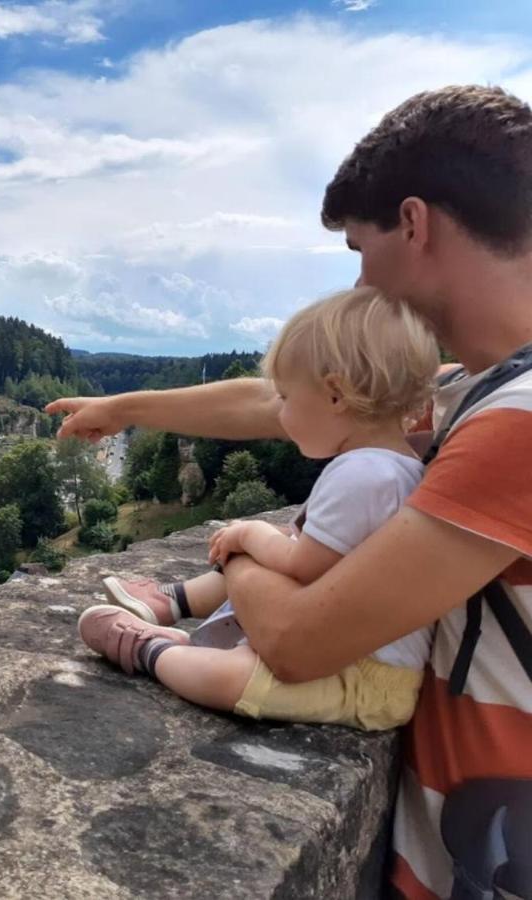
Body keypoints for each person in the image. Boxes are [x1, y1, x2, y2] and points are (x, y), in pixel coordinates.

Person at [47, 85, 532, 900]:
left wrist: (237, 550)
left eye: (357, 248)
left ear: (414, 225)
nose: (361, 279)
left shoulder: (515, 422)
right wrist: (126, 408)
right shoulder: (479, 388)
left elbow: (301, 642)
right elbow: (290, 395)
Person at [78, 287, 440, 731]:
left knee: (227, 680)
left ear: (335, 395)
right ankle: (177, 619)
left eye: (286, 398)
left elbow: (304, 565)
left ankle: (152, 651)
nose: (280, 414)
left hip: (364, 679)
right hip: (353, 654)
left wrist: (250, 533)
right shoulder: (397, 466)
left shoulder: (362, 475)